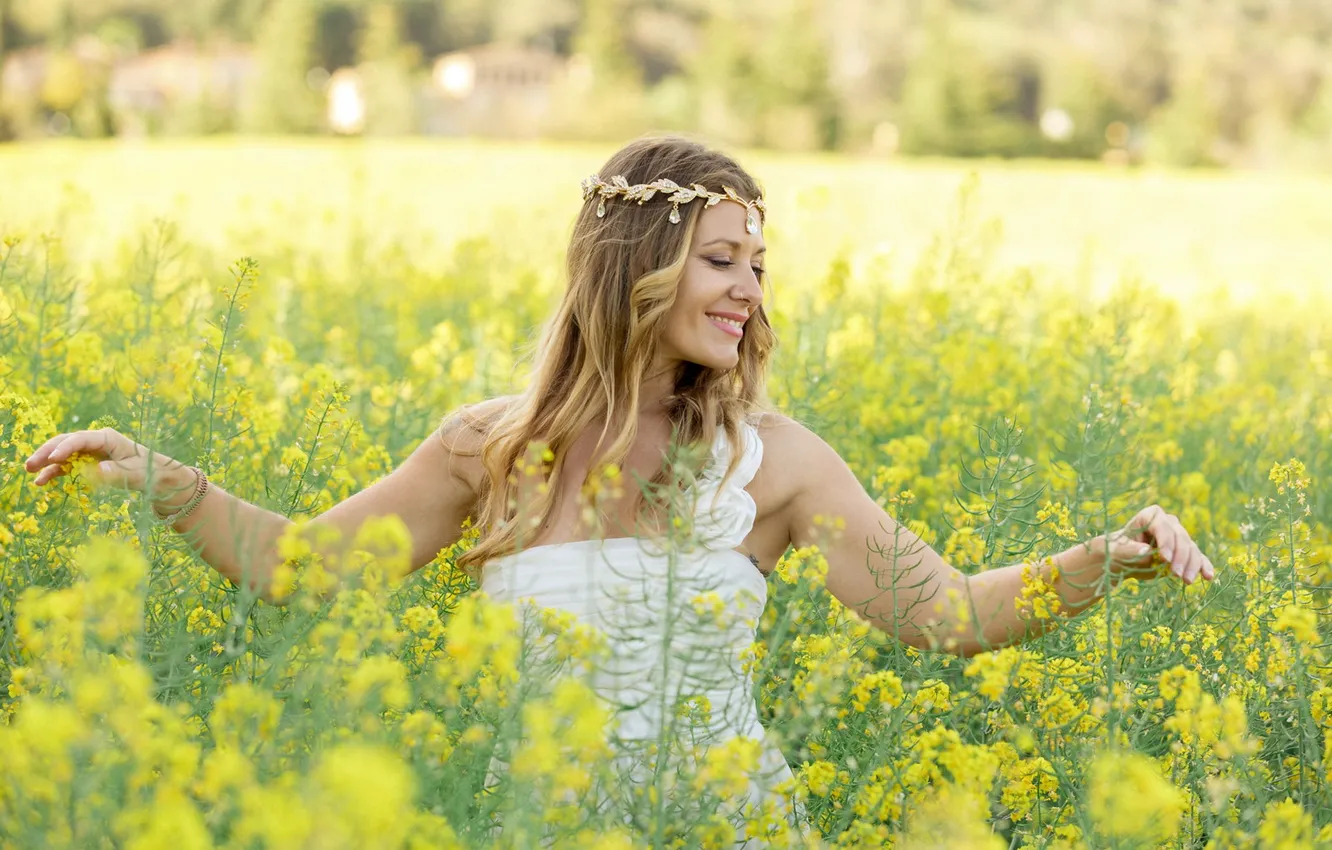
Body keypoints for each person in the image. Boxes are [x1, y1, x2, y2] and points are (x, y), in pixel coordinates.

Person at [22, 134, 1216, 845]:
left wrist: (1108, 554)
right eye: (720, 258)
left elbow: (946, 615)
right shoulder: (491, 448)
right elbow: (305, 569)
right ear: (637, 266)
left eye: (758, 263)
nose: (749, 289)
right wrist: (162, 482)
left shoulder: (780, 461)